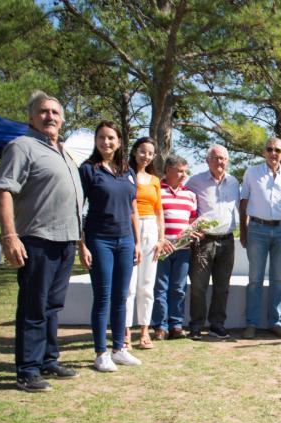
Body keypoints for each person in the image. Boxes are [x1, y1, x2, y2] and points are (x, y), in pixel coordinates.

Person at [0, 90, 83, 392]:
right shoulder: (22, 147)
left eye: (56, 113)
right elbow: (3, 190)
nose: (51, 117)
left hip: (66, 239)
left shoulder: (63, 152)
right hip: (38, 239)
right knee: (34, 305)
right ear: (31, 117)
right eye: (44, 112)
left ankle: (48, 359)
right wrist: (9, 236)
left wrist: (79, 240)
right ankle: (27, 369)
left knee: (53, 306)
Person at [78, 121, 142, 372]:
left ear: (119, 142)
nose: (107, 142)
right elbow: (78, 207)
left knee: (121, 296)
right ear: (96, 141)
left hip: (125, 240)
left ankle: (119, 348)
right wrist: (81, 245)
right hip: (99, 240)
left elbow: (133, 209)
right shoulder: (88, 170)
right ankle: (101, 353)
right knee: (103, 296)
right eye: (102, 138)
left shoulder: (127, 171)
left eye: (111, 138)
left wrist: (136, 242)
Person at [240, 137, 281, 339]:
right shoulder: (252, 173)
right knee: (255, 279)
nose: (273, 153)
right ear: (264, 152)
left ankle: (276, 322)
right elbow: (244, 202)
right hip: (257, 229)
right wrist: (243, 230)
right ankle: (252, 324)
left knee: (278, 279)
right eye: (269, 149)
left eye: (278, 150)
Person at [185, 145, 240, 340]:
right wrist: (191, 228)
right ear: (207, 160)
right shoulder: (195, 181)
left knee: (222, 286)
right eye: (215, 158)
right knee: (198, 286)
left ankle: (217, 325)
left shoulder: (234, 182)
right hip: (203, 241)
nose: (220, 162)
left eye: (223, 158)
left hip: (227, 240)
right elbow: (184, 204)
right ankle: (196, 326)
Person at [125, 137, 166, 349]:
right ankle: (124, 332)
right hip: (130, 227)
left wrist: (161, 238)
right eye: (142, 151)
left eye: (150, 153)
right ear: (134, 152)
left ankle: (143, 331)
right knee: (129, 285)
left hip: (150, 228)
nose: (146, 156)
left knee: (146, 285)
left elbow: (159, 211)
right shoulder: (125, 175)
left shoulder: (155, 180)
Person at [151, 155, 197, 341]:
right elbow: (151, 218)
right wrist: (160, 240)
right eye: (179, 171)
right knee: (160, 288)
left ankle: (176, 325)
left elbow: (193, 221)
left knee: (178, 288)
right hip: (161, 248)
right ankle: (160, 327)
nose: (183, 175)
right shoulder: (156, 190)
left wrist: (195, 232)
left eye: (185, 171)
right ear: (168, 170)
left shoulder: (190, 195)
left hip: (183, 249)